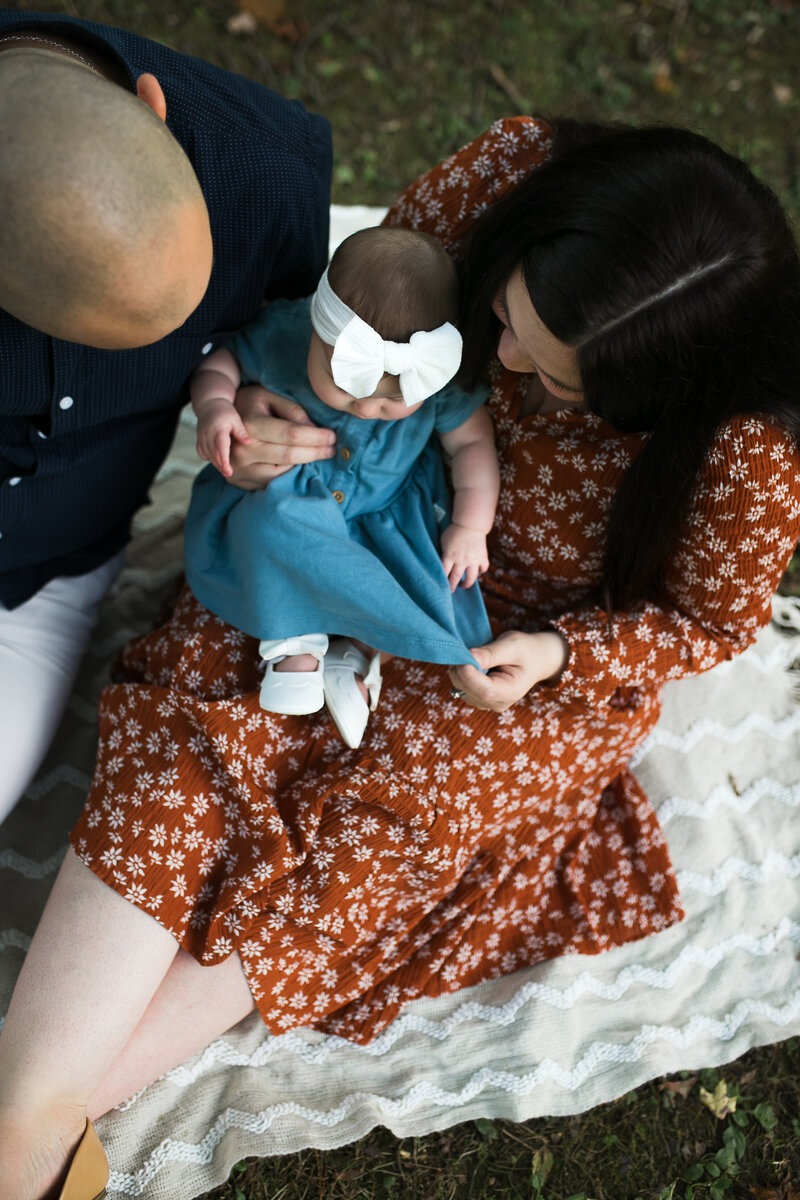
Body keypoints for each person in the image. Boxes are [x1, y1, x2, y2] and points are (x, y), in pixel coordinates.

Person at [2, 114, 800, 1200]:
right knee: (208, 717)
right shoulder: (509, 173)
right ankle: (29, 1108)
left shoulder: (747, 451)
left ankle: (42, 1118)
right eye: (508, 321)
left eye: (562, 384)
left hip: (518, 655)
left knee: (374, 821)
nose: (505, 361)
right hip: (362, 521)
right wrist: (274, 415)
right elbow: (337, 325)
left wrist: (561, 651)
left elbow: (708, 624)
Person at [0, 10, 332, 825]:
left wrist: (250, 409)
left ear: (153, 105)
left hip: (45, 582)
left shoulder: (271, 174)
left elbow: (278, 353)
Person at [186, 226, 499, 747]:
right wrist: (215, 404)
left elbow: (472, 446)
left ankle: (356, 652)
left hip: (384, 512)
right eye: (351, 385)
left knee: (410, 579)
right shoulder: (283, 331)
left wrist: (471, 526)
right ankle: (294, 643)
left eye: (395, 399)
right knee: (275, 526)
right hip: (294, 495)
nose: (369, 407)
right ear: (315, 327)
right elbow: (223, 360)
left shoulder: (442, 384)